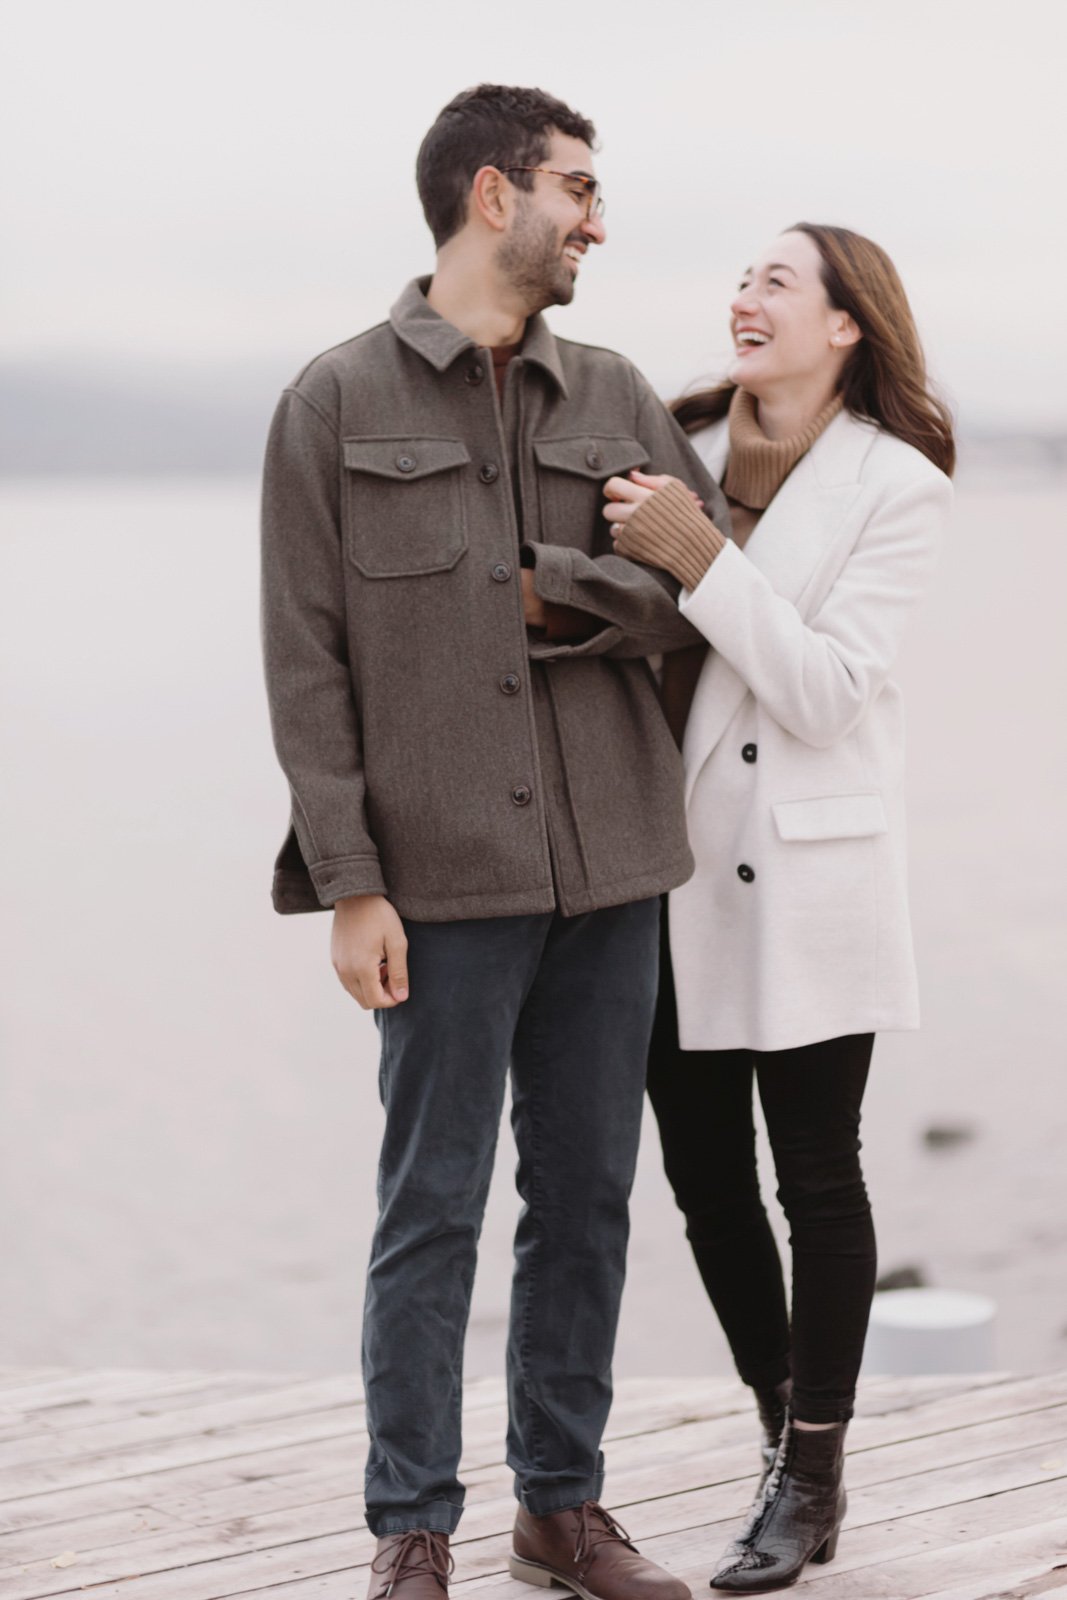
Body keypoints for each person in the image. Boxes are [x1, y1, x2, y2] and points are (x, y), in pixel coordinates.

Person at [261, 84, 729, 1600]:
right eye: (576, 188)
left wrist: (564, 587)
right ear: (490, 193)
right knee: (432, 1205)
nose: (598, 219)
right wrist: (351, 886)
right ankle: (413, 1525)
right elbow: (305, 659)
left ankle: (562, 1509)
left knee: (589, 1195)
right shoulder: (334, 403)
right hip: (439, 877)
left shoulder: (619, 392)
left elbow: (706, 591)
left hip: (613, 870)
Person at [602, 223, 955, 1593]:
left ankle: (814, 1477)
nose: (743, 298)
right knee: (702, 1182)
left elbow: (818, 690)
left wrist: (700, 556)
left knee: (818, 1176)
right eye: (741, 278)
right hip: (666, 870)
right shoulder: (669, 440)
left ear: (847, 323)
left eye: (776, 281)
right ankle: (775, 1431)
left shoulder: (897, 485)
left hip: (808, 869)